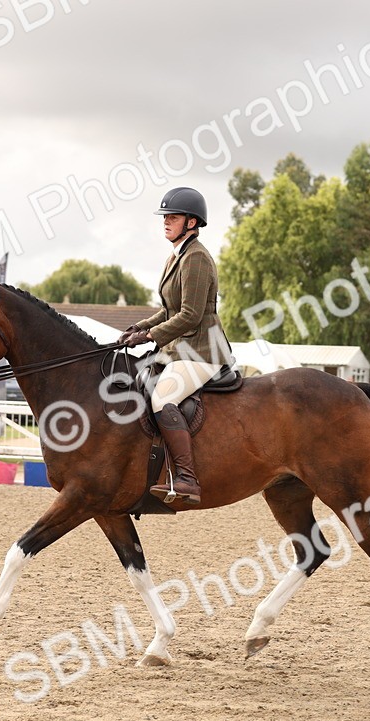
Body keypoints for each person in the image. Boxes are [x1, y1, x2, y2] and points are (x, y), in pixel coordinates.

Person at [118, 187, 231, 505]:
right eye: (165, 217)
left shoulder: (196, 259)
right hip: (180, 348)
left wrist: (152, 336)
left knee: (163, 396)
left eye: (173, 217)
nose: (166, 222)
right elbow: (170, 309)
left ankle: (186, 478)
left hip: (202, 350)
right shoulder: (176, 256)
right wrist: (140, 327)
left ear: (192, 222)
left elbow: (191, 316)